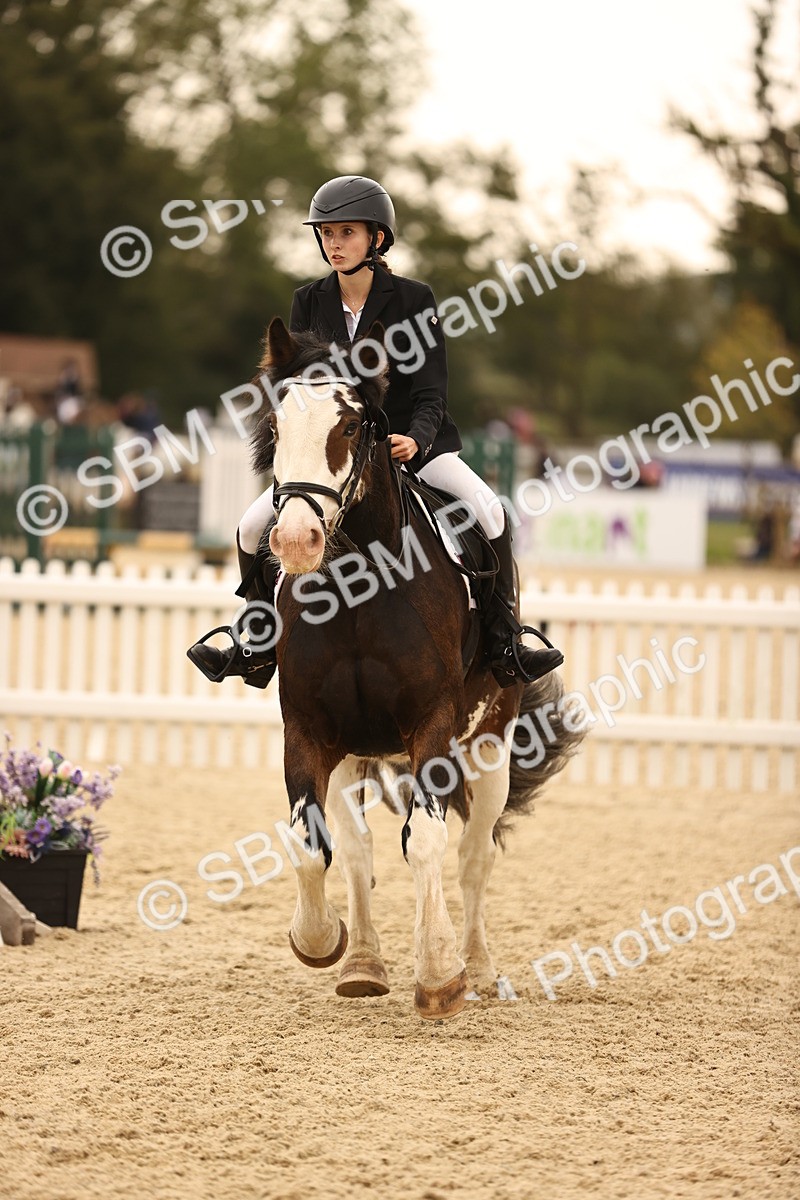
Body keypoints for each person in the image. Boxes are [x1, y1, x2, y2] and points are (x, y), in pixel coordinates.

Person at [187, 175, 564, 690]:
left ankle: (505, 638)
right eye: (326, 234)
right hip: (337, 455)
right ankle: (256, 641)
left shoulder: (414, 299)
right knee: (252, 529)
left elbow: (432, 392)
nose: (334, 244)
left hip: (412, 445)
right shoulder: (309, 302)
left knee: (490, 512)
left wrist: (417, 440)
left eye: (346, 233)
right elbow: (300, 392)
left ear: (377, 239)